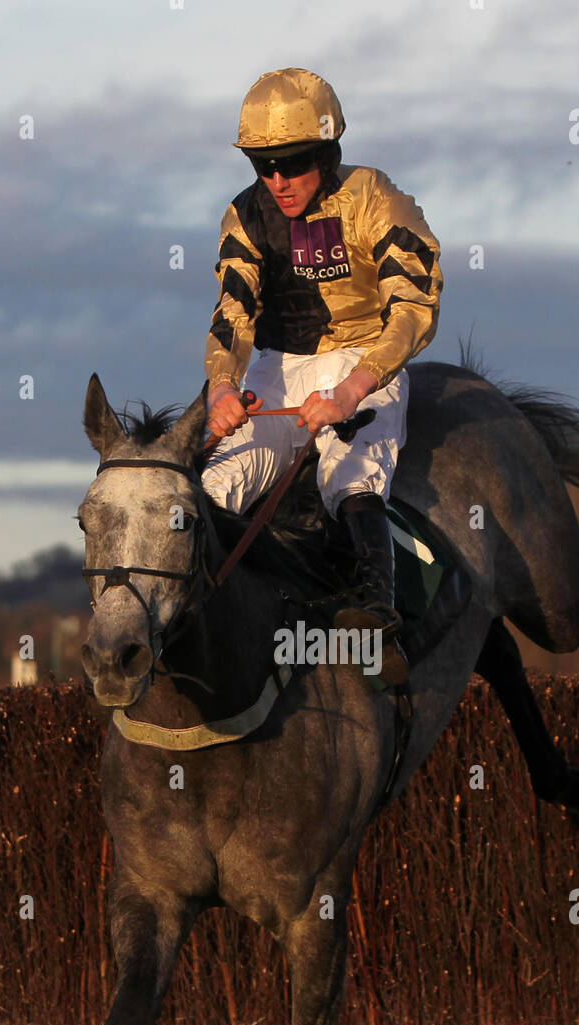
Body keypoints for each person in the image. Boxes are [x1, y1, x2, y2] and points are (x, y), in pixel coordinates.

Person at [201, 67, 443, 684]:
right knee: (213, 485)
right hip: (277, 366)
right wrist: (223, 387)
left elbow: (413, 309)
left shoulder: (373, 198)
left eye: (293, 162)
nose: (278, 180)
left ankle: (378, 614)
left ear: (327, 151)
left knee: (349, 473)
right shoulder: (246, 215)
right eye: (263, 164)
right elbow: (234, 313)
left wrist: (352, 389)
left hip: (365, 359)